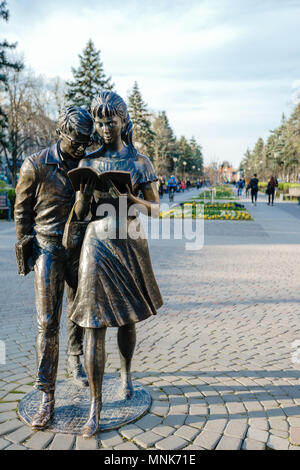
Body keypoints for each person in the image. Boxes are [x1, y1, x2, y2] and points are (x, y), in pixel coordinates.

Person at [69, 91, 163, 438]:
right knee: (94, 323)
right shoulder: (89, 160)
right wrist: (80, 198)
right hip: (96, 243)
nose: (105, 127)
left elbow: (156, 209)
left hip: (129, 242)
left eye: (111, 120)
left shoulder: (140, 162)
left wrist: (132, 198)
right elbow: (78, 216)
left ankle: (125, 373)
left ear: (124, 122)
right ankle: (95, 404)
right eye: (100, 121)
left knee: (127, 318)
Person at [14, 106, 95, 430]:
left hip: (79, 247)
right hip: (48, 248)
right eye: (77, 141)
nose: (81, 148)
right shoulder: (35, 165)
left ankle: (76, 361)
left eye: (85, 143)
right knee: (47, 322)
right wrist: (27, 252)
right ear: (62, 134)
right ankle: (46, 395)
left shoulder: (87, 167)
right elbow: (22, 214)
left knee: (81, 312)